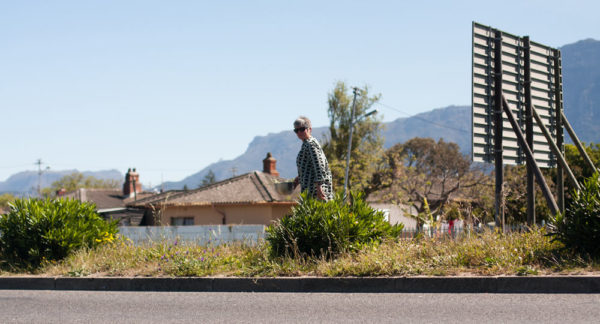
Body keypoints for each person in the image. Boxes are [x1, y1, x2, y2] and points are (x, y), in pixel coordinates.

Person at [293, 116, 334, 201]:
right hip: (309, 190)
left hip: (315, 192)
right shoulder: (306, 144)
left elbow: (319, 165)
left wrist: (319, 188)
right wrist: (299, 178)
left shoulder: (311, 144)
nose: (299, 132)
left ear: (309, 129)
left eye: (302, 129)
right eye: (296, 130)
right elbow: (309, 166)